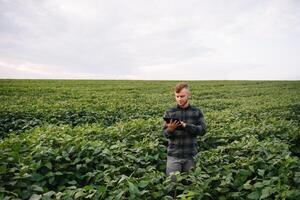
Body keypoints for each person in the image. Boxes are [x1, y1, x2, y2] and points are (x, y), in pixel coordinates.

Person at [163, 82, 206, 182]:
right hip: (173, 155)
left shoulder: (196, 112)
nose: (179, 99)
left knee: (190, 184)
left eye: (182, 96)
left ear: (189, 95)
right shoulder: (169, 112)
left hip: (190, 155)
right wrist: (170, 129)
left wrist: (186, 126)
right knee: (171, 185)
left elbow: (202, 130)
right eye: (177, 96)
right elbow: (164, 134)